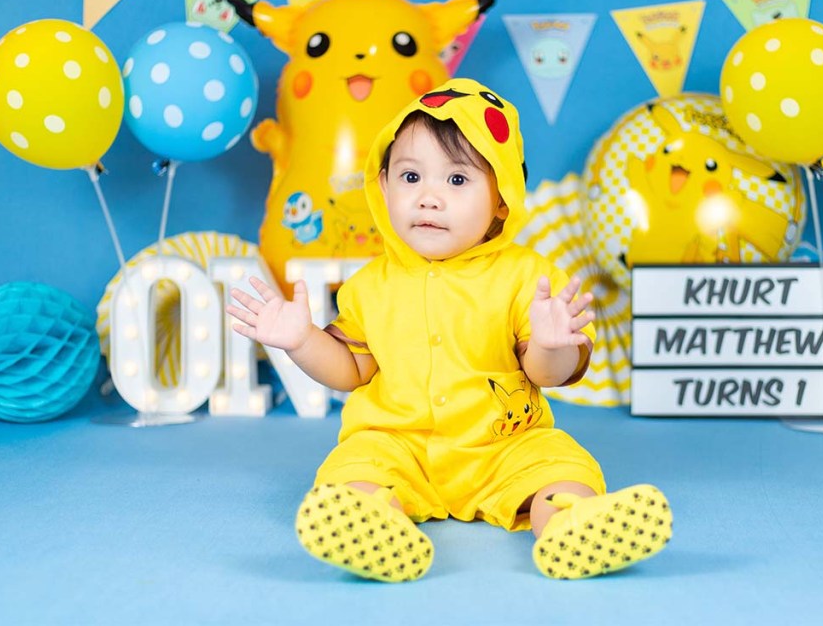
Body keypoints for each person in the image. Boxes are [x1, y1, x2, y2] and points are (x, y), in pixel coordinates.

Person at [227, 78, 672, 582]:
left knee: (561, 464)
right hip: (398, 444)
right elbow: (350, 370)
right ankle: (371, 522)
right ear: (383, 186)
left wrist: (552, 345)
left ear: (501, 198)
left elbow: (546, 375)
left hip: (503, 445)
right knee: (353, 467)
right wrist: (302, 341)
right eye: (410, 177)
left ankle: (571, 523)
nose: (428, 198)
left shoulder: (528, 278)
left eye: (457, 180)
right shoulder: (369, 285)